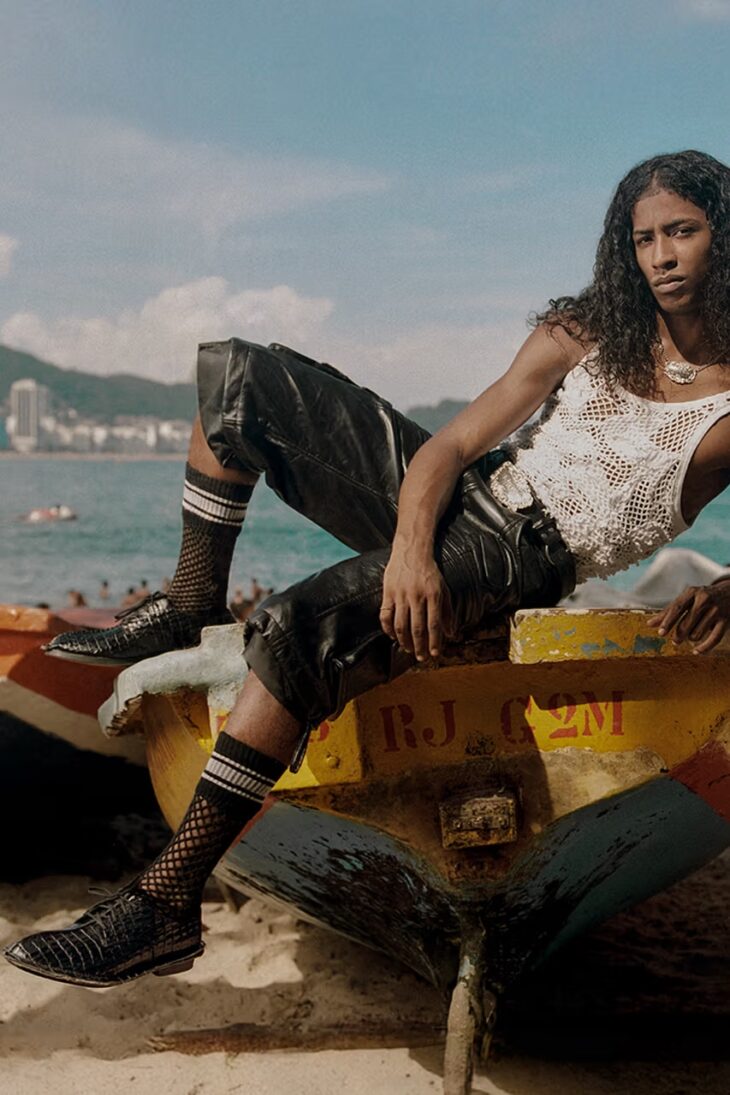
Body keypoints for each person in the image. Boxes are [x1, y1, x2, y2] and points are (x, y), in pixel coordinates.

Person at [6, 149, 730, 988]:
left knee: (293, 626)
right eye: (644, 238)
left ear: (722, 234)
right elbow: (449, 448)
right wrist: (412, 552)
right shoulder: (589, 329)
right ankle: (190, 598)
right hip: (466, 495)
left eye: (682, 231)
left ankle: (166, 902)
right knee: (235, 381)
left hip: (526, 557)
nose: (661, 256)